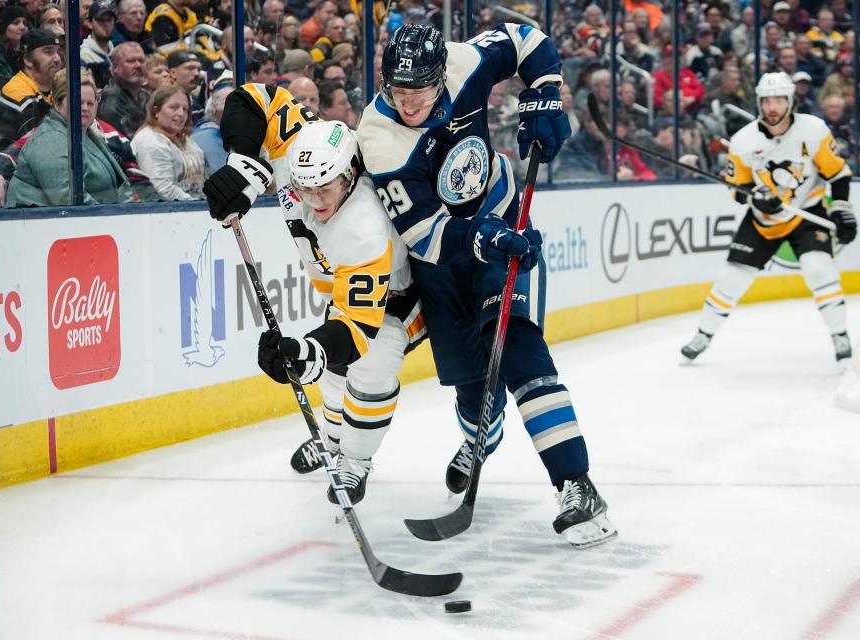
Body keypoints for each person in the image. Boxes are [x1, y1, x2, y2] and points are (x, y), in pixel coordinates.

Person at [358, 24, 615, 548]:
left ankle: (576, 484)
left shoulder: (463, 61)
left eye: (420, 93)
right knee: (473, 386)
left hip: (499, 210)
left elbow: (526, 39)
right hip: (443, 259)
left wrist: (543, 91)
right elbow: (426, 234)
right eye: (398, 92)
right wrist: (485, 239)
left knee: (518, 349)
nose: (409, 104)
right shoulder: (380, 139)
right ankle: (482, 435)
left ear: (440, 76)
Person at [260, 120, 426, 503]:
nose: (314, 200)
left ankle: (355, 461)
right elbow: (264, 105)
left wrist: (305, 352)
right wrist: (239, 164)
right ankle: (331, 441)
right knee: (334, 375)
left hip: (399, 301)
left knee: (372, 364)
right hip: (350, 294)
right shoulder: (306, 168)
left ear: (351, 174)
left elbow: (356, 328)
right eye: (306, 189)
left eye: (325, 188)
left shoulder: (363, 225)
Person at [680, 72, 858, 364]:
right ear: (759, 103)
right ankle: (703, 334)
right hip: (763, 219)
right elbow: (737, 190)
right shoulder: (743, 141)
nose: (772, 107)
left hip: (807, 211)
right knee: (731, 277)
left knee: (818, 267)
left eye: (779, 100)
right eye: (767, 101)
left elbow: (837, 174)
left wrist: (840, 208)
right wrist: (754, 197)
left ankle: (839, 334)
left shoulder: (813, 130)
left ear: (790, 101)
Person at [5, 68, 133, 206]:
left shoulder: (88, 134)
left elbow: (121, 186)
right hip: (44, 224)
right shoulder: (50, 140)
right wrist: (112, 217)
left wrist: (131, 211)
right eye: (78, 102)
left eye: (90, 103)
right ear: (57, 104)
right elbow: (68, 199)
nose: (85, 108)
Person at [0, 27, 62, 144]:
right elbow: (38, 147)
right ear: (27, 59)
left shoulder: (53, 88)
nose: (57, 58)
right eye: (49, 52)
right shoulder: (18, 94)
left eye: (58, 51)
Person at [131, 85, 204, 200]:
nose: (181, 113)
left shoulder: (184, 139)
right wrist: (198, 206)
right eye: (174, 107)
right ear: (156, 111)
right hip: (169, 213)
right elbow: (163, 190)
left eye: (185, 109)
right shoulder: (150, 140)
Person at [97, 41, 149, 139]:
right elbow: (126, 145)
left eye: (141, 60)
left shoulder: (146, 96)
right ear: (115, 67)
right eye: (131, 61)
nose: (138, 65)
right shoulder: (111, 100)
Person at [80, 0, 116, 89]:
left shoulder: (116, 53)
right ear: (90, 23)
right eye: (101, 20)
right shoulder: (84, 56)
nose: (106, 24)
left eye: (109, 19)